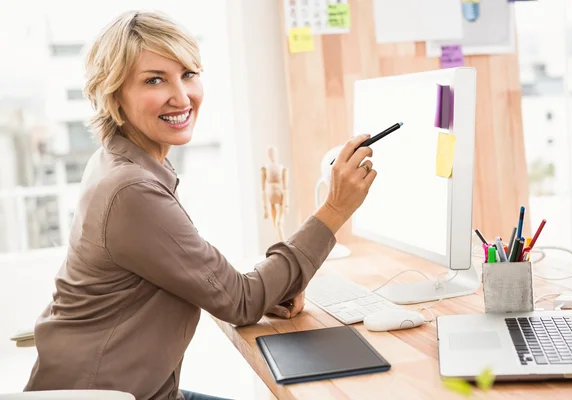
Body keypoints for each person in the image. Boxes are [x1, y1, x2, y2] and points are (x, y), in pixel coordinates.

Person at [24, 10, 377, 400]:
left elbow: (218, 284)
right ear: (113, 94)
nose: (182, 96)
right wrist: (336, 209)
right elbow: (242, 302)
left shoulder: (121, 161)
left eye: (188, 74)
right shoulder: (131, 189)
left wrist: (274, 285)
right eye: (155, 80)